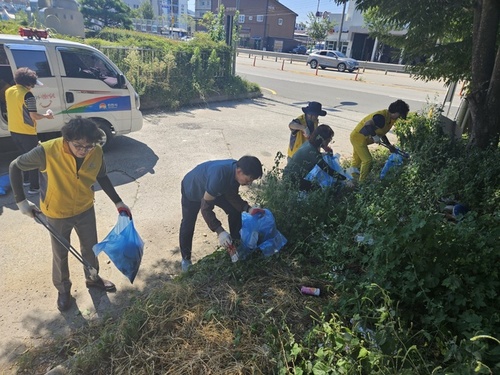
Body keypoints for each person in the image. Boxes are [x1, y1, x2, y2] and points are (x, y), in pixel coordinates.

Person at [9, 117, 132, 312]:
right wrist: (21, 202)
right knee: (60, 253)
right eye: (78, 146)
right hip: (57, 212)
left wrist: (118, 201)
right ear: (67, 139)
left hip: (84, 208)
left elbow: (101, 176)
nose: (83, 150)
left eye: (88, 147)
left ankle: (92, 278)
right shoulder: (47, 151)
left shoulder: (96, 152)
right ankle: (63, 289)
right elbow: (15, 166)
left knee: (91, 247)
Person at [179, 156, 264, 272]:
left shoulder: (236, 172)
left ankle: (235, 244)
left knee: (234, 210)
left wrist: (248, 209)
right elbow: (205, 208)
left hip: (213, 190)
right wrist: (220, 232)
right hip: (193, 188)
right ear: (239, 171)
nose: (249, 183)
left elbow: (232, 196)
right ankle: (186, 260)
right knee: (188, 224)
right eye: (249, 180)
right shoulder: (219, 177)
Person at [6, 67, 54, 194]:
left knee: (23, 157)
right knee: (33, 159)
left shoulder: (9, 91)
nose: (33, 87)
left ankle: (26, 180)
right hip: (27, 132)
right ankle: (34, 187)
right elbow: (34, 116)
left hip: (14, 130)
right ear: (28, 83)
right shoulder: (28, 95)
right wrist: (47, 116)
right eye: (32, 84)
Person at [349, 99, 410, 182]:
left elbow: (382, 132)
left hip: (362, 138)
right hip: (358, 137)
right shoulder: (381, 118)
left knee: (357, 160)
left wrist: (389, 145)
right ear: (395, 112)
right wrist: (374, 136)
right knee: (367, 160)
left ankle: (352, 179)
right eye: (399, 115)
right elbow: (368, 124)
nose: (399, 118)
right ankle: (362, 183)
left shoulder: (390, 118)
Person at [284, 124, 348, 191]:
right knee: (318, 189)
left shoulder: (309, 144)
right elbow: (328, 170)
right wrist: (345, 179)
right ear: (322, 140)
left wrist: (324, 148)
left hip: (289, 175)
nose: (328, 143)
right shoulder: (313, 152)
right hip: (292, 180)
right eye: (328, 140)